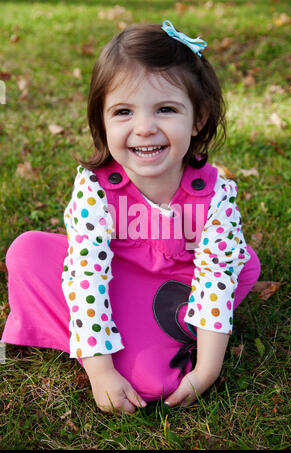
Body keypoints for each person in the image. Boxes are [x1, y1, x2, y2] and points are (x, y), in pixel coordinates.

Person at [1, 21, 260, 414]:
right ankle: (95, 340)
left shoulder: (214, 195)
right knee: (27, 252)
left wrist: (207, 369)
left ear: (199, 118)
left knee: (240, 264)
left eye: (166, 109)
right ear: (102, 122)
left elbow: (215, 277)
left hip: (178, 287)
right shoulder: (97, 188)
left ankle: (175, 335)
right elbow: (86, 271)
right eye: (123, 111)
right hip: (110, 281)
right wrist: (100, 369)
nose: (144, 128)